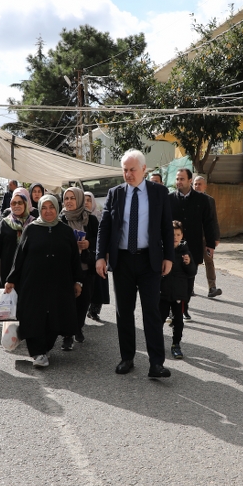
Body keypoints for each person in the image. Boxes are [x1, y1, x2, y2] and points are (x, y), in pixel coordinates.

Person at [95, 149, 175, 378]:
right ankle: (127, 358)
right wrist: (100, 256)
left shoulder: (159, 192)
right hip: (123, 261)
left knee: (151, 312)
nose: (128, 174)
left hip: (150, 261)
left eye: (132, 170)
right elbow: (105, 227)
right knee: (124, 312)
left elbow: (167, 227)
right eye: (125, 170)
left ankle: (156, 363)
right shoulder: (115, 193)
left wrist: (169, 256)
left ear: (144, 170)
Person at [4, 195, 83, 367]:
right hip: (33, 282)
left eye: (51, 207)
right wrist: (11, 280)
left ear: (57, 208)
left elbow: (74, 260)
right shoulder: (31, 229)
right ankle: (37, 352)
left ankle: (45, 348)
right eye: (44, 207)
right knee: (34, 316)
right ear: (39, 209)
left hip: (59, 283)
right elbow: (19, 257)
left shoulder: (65, 231)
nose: (48, 211)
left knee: (55, 316)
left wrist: (78, 281)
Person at [168, 168, 218, 319]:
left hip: (194, 246)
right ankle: (173, 309)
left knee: (189, 279)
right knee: (171, 278)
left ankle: (184, 307)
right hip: (172, 246)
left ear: (190, 180)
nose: (179, 182)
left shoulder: (202, 200)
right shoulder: (169, 199)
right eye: (177, 179)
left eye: (182, 179)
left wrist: (210, 244)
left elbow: (209, 223)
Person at [59, 187, 99, 351]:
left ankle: (78, 326)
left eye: (72, 198)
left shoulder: (91, 220)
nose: (68, 201)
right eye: (66, 198)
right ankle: (67, 336)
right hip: (66, 269)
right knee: (68, 302)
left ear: (80, 199)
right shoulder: (60, 219)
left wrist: (88, 243)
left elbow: (99, 241)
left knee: (83, 302)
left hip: (85, 267)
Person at [0, 188, 32, 320]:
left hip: (28, 271)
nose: (16, 206)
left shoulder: (34, 224)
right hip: (8, 270)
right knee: (8, 307)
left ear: (26, 204)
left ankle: (26, 332)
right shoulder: (5, 224)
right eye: (13, 203)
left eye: (20, 203)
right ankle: (10, 337)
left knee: (27, 303)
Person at [161, 221, 197, 360]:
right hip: (162, 293)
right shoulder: (161, 250)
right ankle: (157, 344)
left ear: (182, 236)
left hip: (179, 293)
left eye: (178, 234)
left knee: (178, 321)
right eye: (172, 234)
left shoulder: (185, 252)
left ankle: (176, 344)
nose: (175, 237)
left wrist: (188, 263)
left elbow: (192, 272)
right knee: (159, 319)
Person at [192, 175, 222, 298]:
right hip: (192, 238)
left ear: (205, 186)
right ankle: (189, 287)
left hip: (206, 238)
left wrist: (216, 237)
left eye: (200, 184)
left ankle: (212, 288)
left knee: (209, 262)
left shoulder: (210, 200)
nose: (197, 186)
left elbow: (214, 219)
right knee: (191, 262)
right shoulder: (189, 200)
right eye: (196, 184)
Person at [83, 191, 110, 322]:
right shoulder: (78, 217)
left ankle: (94, 310)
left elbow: (103, 236)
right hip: (84, 257)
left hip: (97, 255)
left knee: (98, 284)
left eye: (89, 200)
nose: (86, 203)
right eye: (84, 200)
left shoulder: (99, 216)